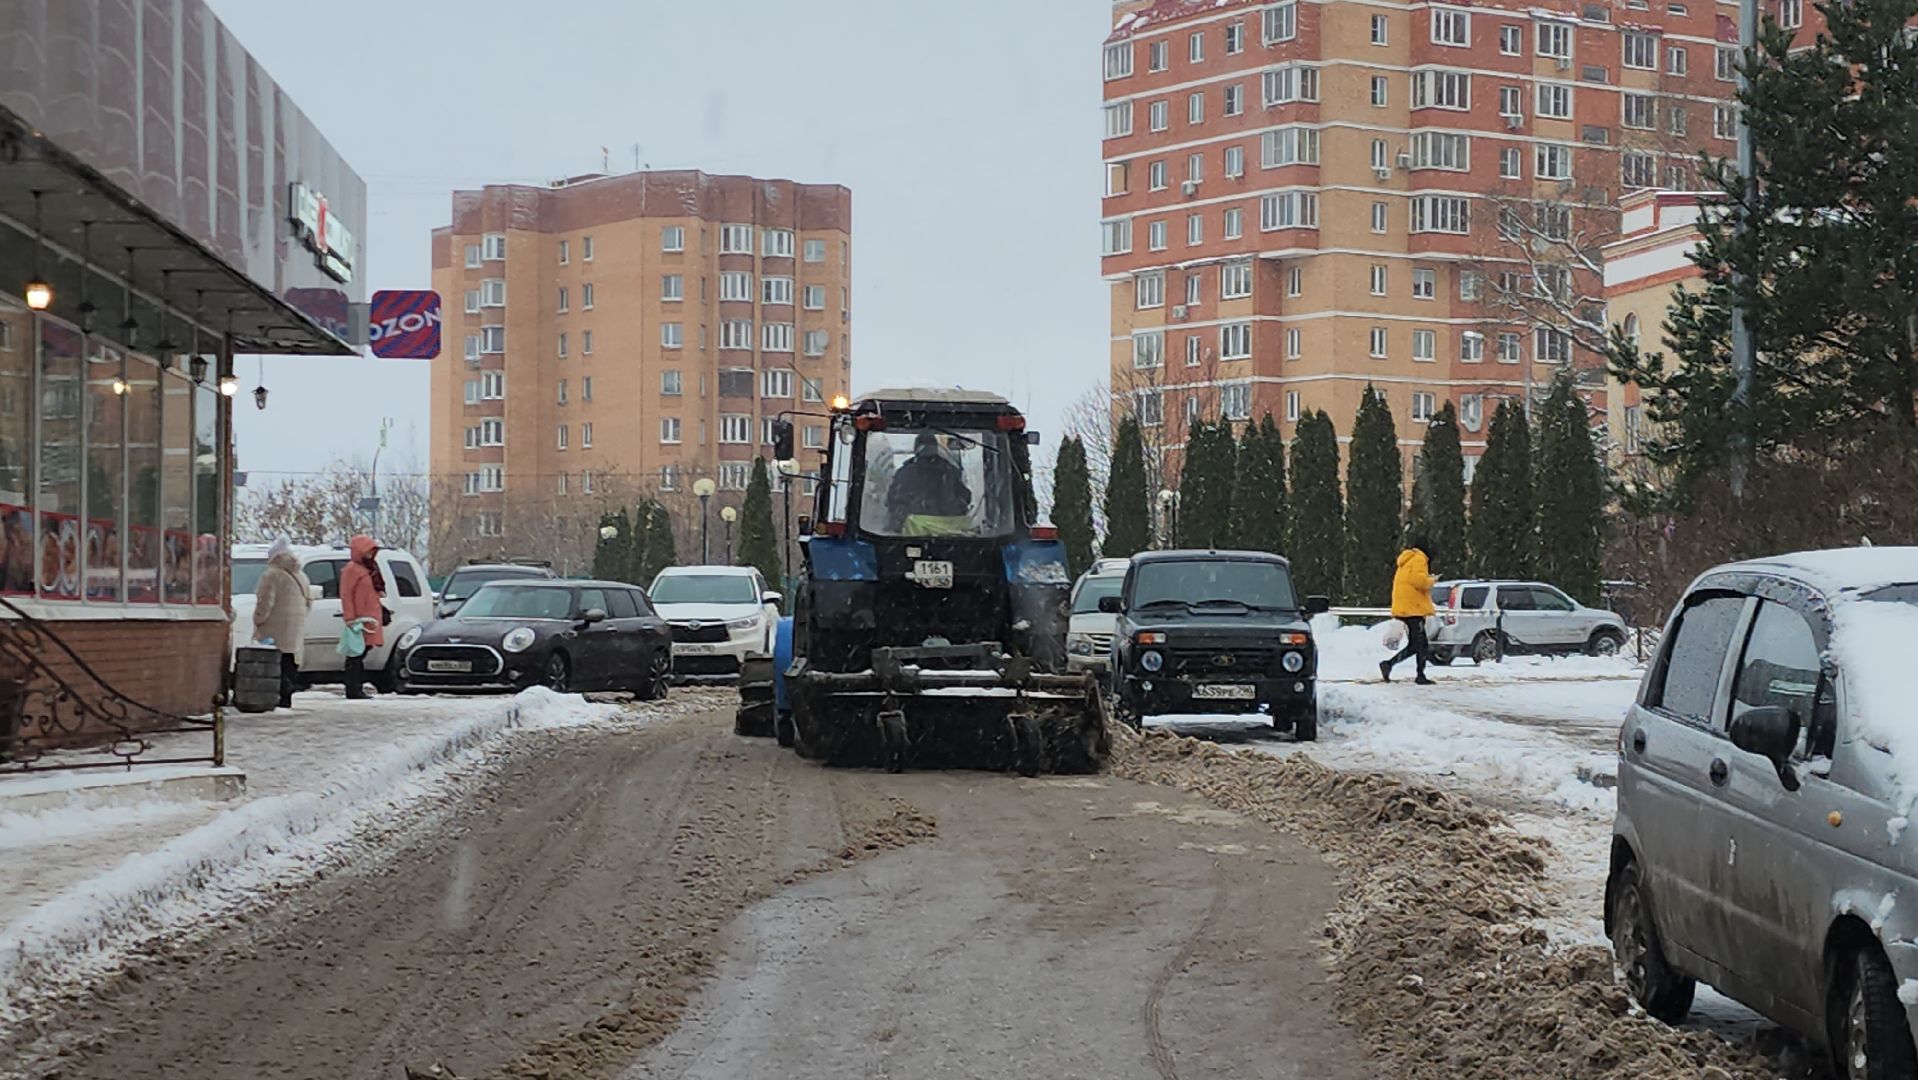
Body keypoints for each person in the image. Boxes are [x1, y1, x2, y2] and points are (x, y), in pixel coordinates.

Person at [252, 536, 312, 708]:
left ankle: (277, 697)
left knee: (273, 662)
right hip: (295, 626)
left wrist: (258, 620)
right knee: (289, 659)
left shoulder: (271, 575)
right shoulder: (301, 575)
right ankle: (287, 697)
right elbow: (309, 601)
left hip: (274, 626)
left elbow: (266, 602)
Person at [886, 432, 972, 532]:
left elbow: (893, 500)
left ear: (916, 449)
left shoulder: (905, 473)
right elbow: (965, 496)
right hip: (949, 532)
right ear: (936, 448)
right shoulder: (949, 471)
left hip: (913, 532)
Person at [1381, 535, 1438, 685]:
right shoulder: (1420, 559)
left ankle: (1389, 664)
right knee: (1421, 644)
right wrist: (1432, 580)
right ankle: (1420, 675)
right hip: (1414, 608)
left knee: (1416, 644)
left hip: (1404, 605)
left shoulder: (1407, 559)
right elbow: (1418, 581)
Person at [339, 534, 387, 699]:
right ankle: (353, 688)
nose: (370, 554)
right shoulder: (352, 570)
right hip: (359, 620)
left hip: (370, 618)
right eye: (367, 551)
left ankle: (355, 686)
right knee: (355, 653)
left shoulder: (370, 569)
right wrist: (350, 617)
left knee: (362, 651)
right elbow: (346, 594)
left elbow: (372, 592)